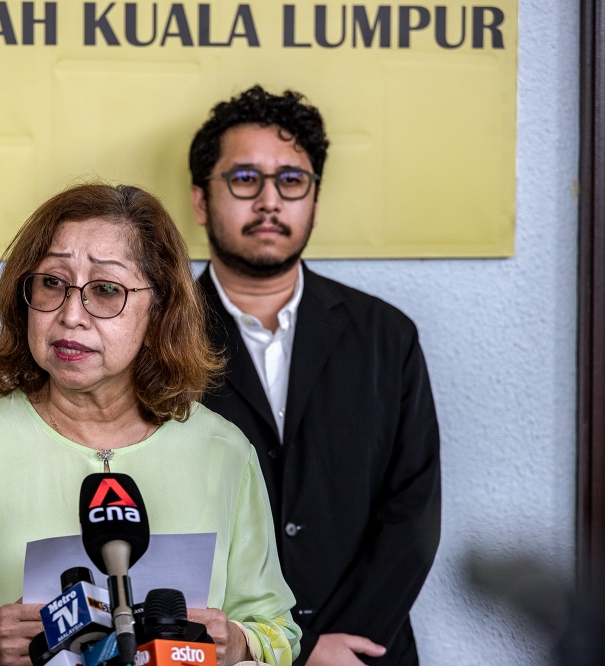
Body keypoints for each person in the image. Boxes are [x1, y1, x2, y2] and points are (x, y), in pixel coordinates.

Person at [0, 183, 302, 666]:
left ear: (158, 309)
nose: (70, 316)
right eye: (52, 283)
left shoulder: (224, 451)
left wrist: (237, 643)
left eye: (105, 290)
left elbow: (280, 631)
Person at [189, 87, 441, 666]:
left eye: (292, 181)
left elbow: (414, 511)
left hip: (362, 652)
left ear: (315, 200)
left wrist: (344, 639)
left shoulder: (386, 336)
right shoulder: (155, 341)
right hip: (219, 652)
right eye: (245, 178)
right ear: (202, 200)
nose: (270, 200)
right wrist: (274, 649)